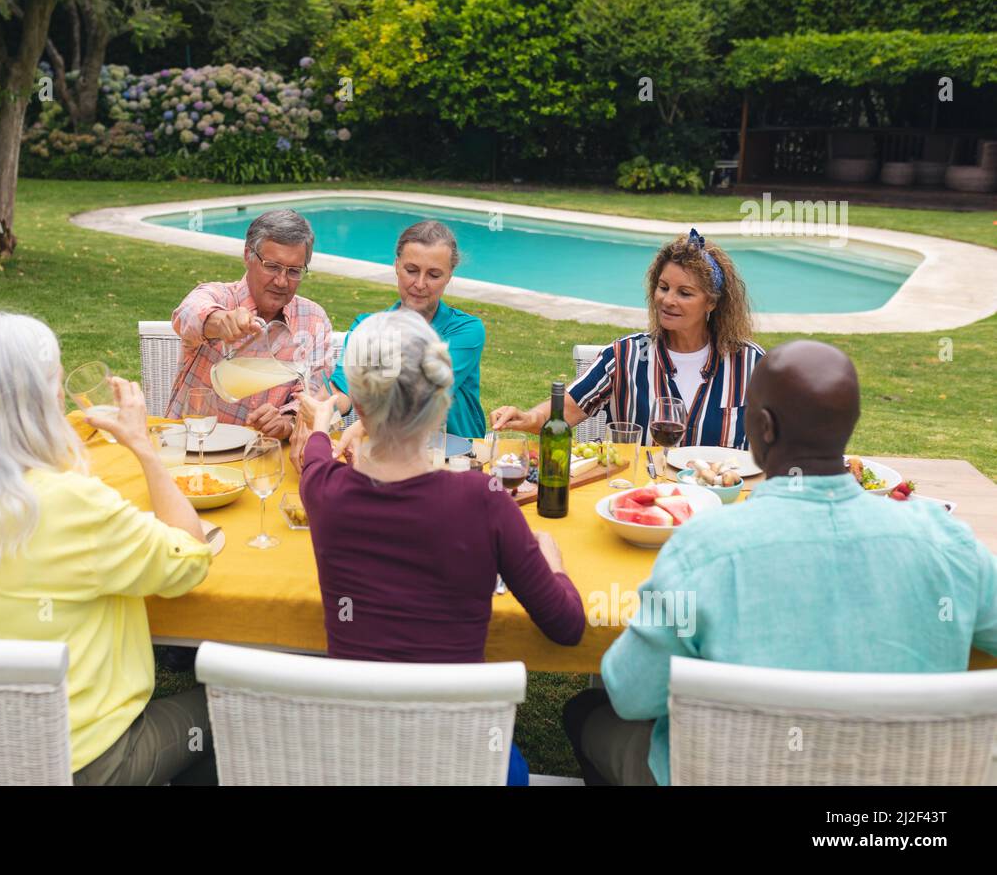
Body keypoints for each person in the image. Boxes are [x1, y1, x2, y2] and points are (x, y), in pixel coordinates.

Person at [562, 340, 997, 785]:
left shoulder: (704, 549)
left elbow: (632, 695)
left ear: (762, 427)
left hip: (727, 774)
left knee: (585, 712)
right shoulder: (947, 542)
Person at [0, 312, 218, 785]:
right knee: (232, 706)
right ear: (42, 397)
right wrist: (143, 446)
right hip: (81, 762)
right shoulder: (74, 501)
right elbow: (190, 560)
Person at [296, 308, 586, 784]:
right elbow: (567, 626)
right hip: (464, 762)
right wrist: (553, 566)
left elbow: (313, 456)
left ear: (362, 408)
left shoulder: (326, 492)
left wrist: (326, 425)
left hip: (355, 759)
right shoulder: (483, 500)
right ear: (442, 402)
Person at [492, 230, 764, 449]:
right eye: (663, 287)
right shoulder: (625, 356)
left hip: (719, 506)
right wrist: (528, 418)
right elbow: (565, 410)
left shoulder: (750, 363)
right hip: (638, 502)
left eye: (685, 293)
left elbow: (781, 440)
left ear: (712, 303)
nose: (668, 300)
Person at [169, 208, 334, 438]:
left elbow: (314, 392)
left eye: (294, 271)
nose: (281, 281)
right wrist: (219, 322)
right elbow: (185, 315)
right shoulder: (221, 297)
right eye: (272, 266)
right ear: (248, 255)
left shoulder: (313, 319)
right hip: (195, 446)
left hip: (264, 454)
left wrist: (286, 422)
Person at [323, 220, 486, 439]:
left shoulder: (465, 331)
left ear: (449, 275)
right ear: (397, 266)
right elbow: (343, 389)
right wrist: (319, 411)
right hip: (391, 453)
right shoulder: (366, 327)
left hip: (460, 457)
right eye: (411, 270)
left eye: (434, 275)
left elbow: (425, 396)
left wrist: (364, 426)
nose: (420, 284)